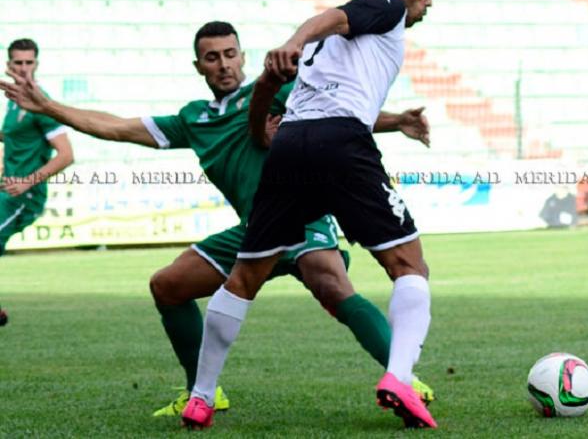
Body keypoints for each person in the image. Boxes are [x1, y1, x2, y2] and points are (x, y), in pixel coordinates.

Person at [1, 21, 433, 416]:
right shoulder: (193, 118)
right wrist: (49, 107)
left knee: (333, 285)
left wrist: (396, 121)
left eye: (230, 54)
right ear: (198, 66)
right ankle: (201, 392)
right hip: (253, 230)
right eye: (213, 57)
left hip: (301, 216)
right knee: (167, 286)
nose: (223, 64)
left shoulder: (275, 91)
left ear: (242, 57)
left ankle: (403, 377)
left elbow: (337, 116)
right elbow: (115, 127)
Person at [182, 0, 437, 430]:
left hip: (292, 146)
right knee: (408, 263)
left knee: (244, 278)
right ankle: (399, 378)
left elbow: (266, 83)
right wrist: (294, 39)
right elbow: (334, 16)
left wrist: (261, 130)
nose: (428, 2)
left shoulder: (335, 46)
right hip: (341, 143)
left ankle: (200, 396)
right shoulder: (384, 4)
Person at [0, 39, 74, 325]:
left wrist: (27, 183)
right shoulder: (13, 102)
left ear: (36, 65)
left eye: (29, 62)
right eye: (18, 63)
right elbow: (15, 138)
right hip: (7, 190)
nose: (23, 68)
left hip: (25, 196)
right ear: (9, 66)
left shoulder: (41, 103)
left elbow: (66, 154)